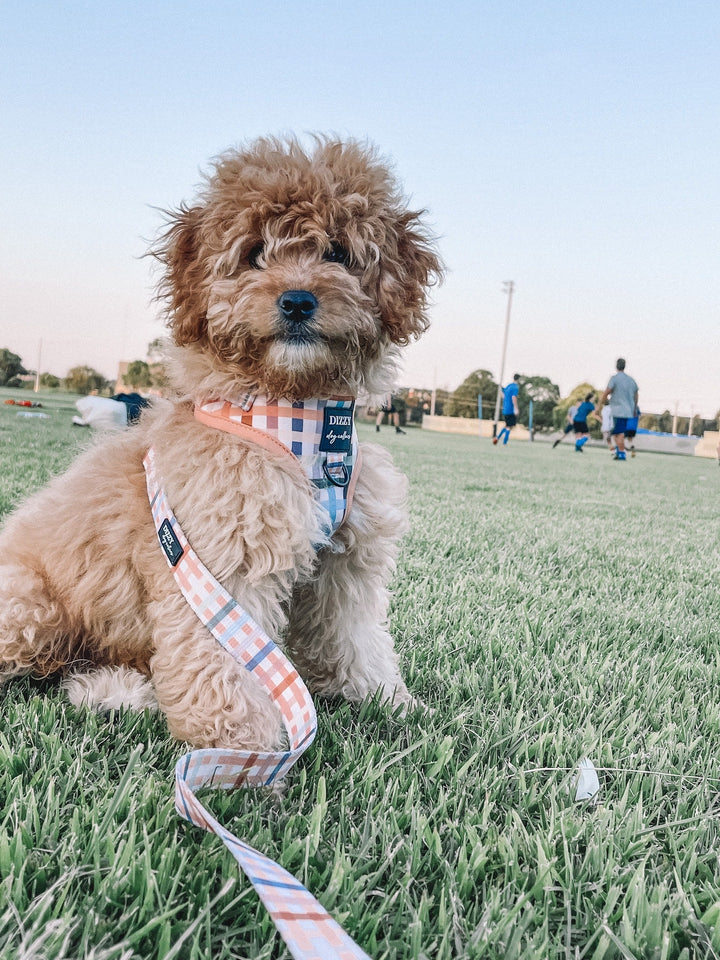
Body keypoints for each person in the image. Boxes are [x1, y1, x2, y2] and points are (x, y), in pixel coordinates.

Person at [599, 358, 639, 462]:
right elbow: (636, 395)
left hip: (617, 410)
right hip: (627, 410)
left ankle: (622, 454)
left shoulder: (614, 378)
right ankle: (619, 451)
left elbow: (607, 391)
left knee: (619, 432)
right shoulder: (631, 380)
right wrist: (634, 408)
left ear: (616, 366)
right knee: (616, 433)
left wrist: (602, 403)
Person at [493, 374, 520, 445]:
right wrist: (516, 408)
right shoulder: (515, 387)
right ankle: (504, 442)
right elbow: (513, 397)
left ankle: (497, 437)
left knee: (507, 425)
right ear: (518, 379)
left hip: (505, 408)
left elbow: (503, 395)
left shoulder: (508, 386)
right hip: (510, 409)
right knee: (509, 426)